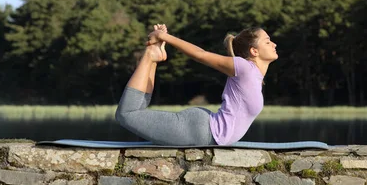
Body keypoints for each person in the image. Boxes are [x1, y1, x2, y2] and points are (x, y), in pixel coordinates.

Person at [115, 24, 278, 146]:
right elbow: (201, 55)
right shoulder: (244, 67)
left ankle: (153, 57)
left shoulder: (255, 76)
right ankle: (150, 55)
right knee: (126, 114)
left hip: (203, 129)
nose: (274, 44)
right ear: (254, 51)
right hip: (199, 131)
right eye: (268, 42)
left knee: (131, 113)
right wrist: (164, 37)